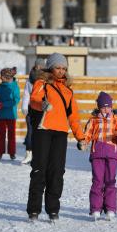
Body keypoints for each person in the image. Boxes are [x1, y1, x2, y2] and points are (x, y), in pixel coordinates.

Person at [26, 53, 85, 222]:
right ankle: (34, 210)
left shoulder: (68, 91)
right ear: (51, 67)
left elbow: (73, 117)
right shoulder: (41, 83)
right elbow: (34, 100)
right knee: (39, 170)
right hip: (43, 130)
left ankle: (53, 209)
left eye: (64, 68)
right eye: (58, 67)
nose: (61, 71)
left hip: (60, 133)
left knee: (57, 172)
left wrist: (80, 137)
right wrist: (42, 104)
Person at [82, 92, 117, 221]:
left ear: (111, 107)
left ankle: (110, 208)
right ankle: (96, 208)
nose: (106, 109)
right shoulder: (93, 120)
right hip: (97, 154)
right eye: (103, 107)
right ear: (99, 107)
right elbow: (87, 134)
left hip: (112, 154)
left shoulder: (116, 120)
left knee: (110, 181)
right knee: (97, 181)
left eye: (108, 107)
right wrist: (83, 142)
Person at [21, 58, 46, 165]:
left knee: (41, 133)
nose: (39, 68)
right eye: (38, 66)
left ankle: (38, 155)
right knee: (30, 132)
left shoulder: (47, 79)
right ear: (35, 66)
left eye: (41, 66)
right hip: (31, 109)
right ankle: (28, 154)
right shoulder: (30, 78)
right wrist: (24, 107)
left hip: (43, 109)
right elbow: (26, 94)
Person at [0, 67, 21, 160]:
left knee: (11, 134)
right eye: (1, 76)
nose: (1, 78)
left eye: (2, 76)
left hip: (11, 114)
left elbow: (16, 100)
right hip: (1, 114)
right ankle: (0, 152)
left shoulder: (14, 86)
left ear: (7, 77)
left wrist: (3, 104)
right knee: (1, 134)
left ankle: (12, 152)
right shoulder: (0, 86)